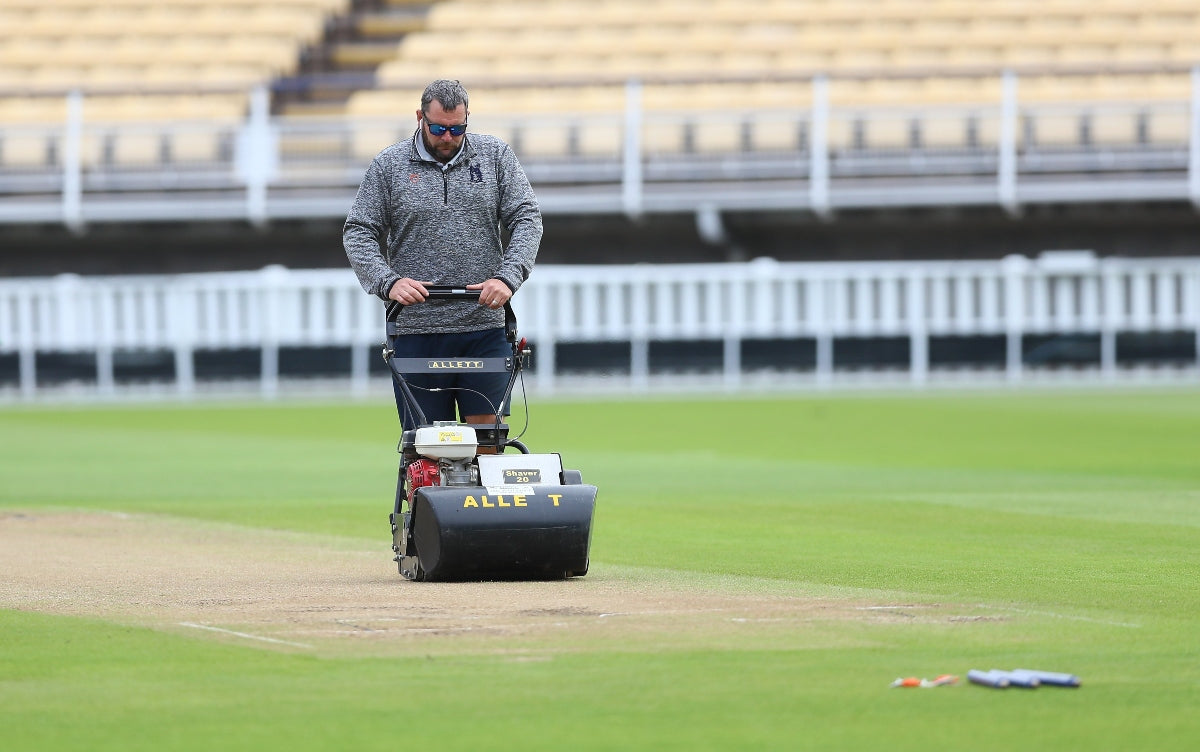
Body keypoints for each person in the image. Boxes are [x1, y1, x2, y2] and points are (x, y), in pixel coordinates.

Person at [343, 79, 542, 431]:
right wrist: (388, 282)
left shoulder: (495, 156)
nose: (448, 137)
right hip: (416, 330)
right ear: (420, 117)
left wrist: (507, 277)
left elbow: (527, 218)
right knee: (432, 447)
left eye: (457, 129)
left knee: (489, 440)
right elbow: (359, 231)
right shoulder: (388, 166)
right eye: (438, 128)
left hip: (484, 326)